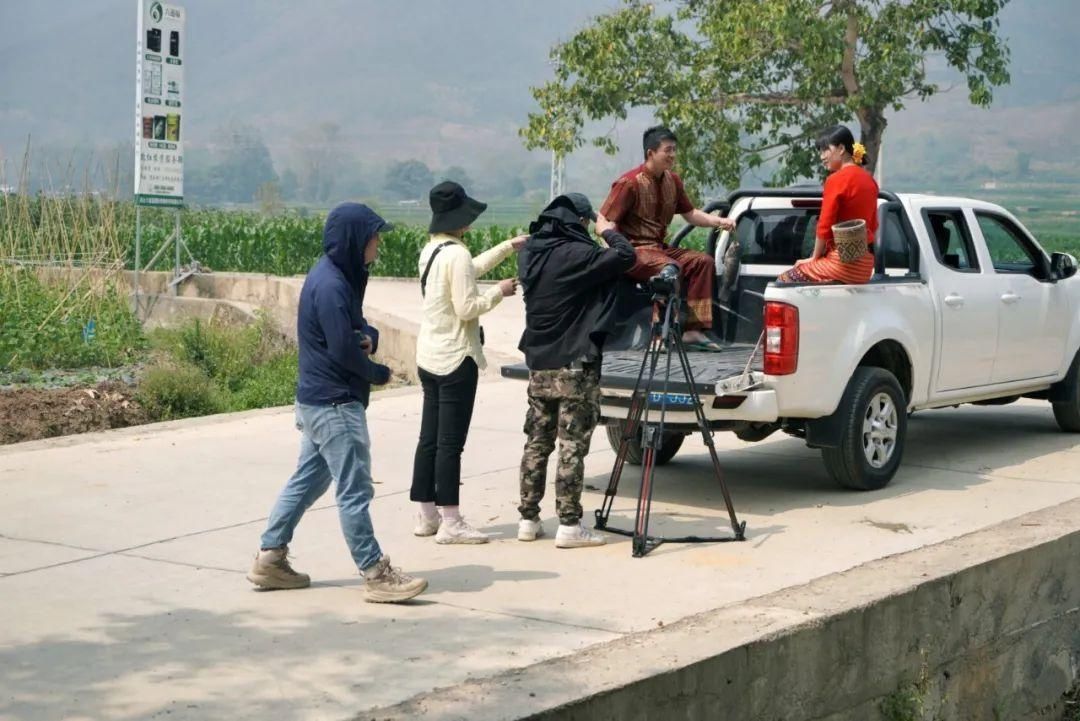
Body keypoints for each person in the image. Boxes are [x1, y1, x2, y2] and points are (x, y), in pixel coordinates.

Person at [248, 202, 426, 604]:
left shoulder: (339, 278)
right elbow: (344, 349)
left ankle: (269, 557)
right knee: (355, 489)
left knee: (308, 479)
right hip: (334, 405)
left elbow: (355, 329)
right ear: (355, 240)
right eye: (374, 237)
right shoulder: (330, 285)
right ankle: (376, 572)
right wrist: (377, 373)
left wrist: (371, 339)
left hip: (317, 403)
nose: (378, 244)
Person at [516, 193, 637, 547]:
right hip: (573, 365)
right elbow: (626, 256)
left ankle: (528, 519)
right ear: (580, 222)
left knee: (536, 442)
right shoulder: (578, 254)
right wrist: (607, 231)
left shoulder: (531, 255)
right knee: (571, 444)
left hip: (539, 364)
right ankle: (569, 526)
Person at [411, 181, 526, 544]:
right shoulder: (455, 254)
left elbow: (468, 270)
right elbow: (466, 308)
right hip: (456, 359)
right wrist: (499, 293)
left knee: (429, 439)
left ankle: (426, 514)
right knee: (450, 443)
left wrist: (508, 247)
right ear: (460, 218)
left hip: (429, 356)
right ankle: (452, 521)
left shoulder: (432, 250)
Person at [598, 125, 736, 351]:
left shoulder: (674, 181)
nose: (672, 155)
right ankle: (657, 334)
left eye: (674, 150)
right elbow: (604, 221)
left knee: (703, 262)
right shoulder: (629, 183)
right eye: (668, 150)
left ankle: (693, 331)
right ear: (650, 153)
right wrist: (612, 253)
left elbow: (690, 214)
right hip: (633, 252)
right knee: (669, 267)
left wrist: (719, 221)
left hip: (659, 250)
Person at [777, 125, 879, 284]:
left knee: (784, 280)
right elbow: (873, 225)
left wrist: (814, 258)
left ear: (841, 148)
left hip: (842, 264)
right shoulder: (870, 181)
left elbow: (824, 225)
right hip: (865, 267)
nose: (822, 156)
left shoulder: (836, 180)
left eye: (825, 150)